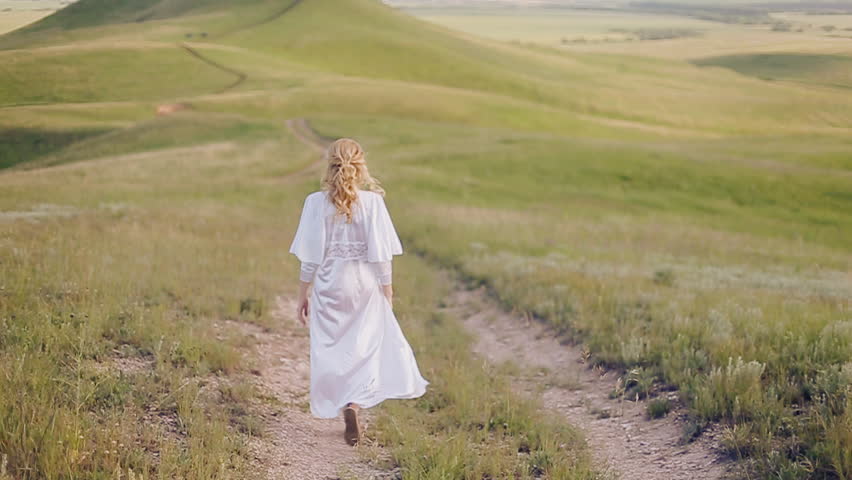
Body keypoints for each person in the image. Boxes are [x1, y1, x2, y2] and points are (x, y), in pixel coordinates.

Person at [289, 138, 429, 446]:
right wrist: (387, 292)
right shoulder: (374, 202)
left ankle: (342, 400)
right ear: (361, 164)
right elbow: (381, 256)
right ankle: (354, 404)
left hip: (329, 285)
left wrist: (303, 294)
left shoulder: (315, 202)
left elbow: (310, 257)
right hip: (364, 286)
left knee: (332, 349)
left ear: (330, 165)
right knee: (364, 346)